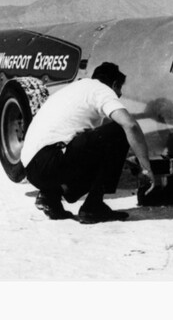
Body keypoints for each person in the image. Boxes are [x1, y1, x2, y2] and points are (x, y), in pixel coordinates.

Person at [20, 62, 154, 224]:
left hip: (32, 170)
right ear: (114, 84)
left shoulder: (73, 90)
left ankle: (51, 197)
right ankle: (93, 207)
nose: (119, 95)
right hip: (51, 162)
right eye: (119, 89)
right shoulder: (102, 90)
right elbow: (129, 125)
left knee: (88, 142)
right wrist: (146, 168)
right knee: (119, 131)